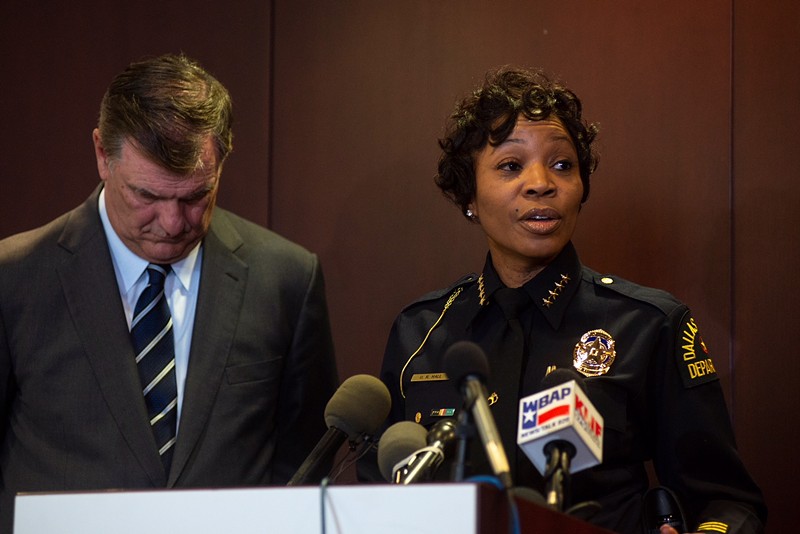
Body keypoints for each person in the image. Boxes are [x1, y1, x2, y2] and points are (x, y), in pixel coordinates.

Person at [376, 67, 766, 533]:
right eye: (510, 165)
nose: (541, 183)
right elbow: (381, 503)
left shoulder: (648, 325)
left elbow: (728, 503)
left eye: (562, 165)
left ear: (582, 188)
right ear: (469, 197)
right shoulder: (421, 333)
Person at [0, 53, 338, 532]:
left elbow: (306, 466)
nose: (174, 223)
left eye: (196, 196)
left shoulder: (286, 280)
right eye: (147, 196)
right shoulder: (14, 279)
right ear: (102, 154)